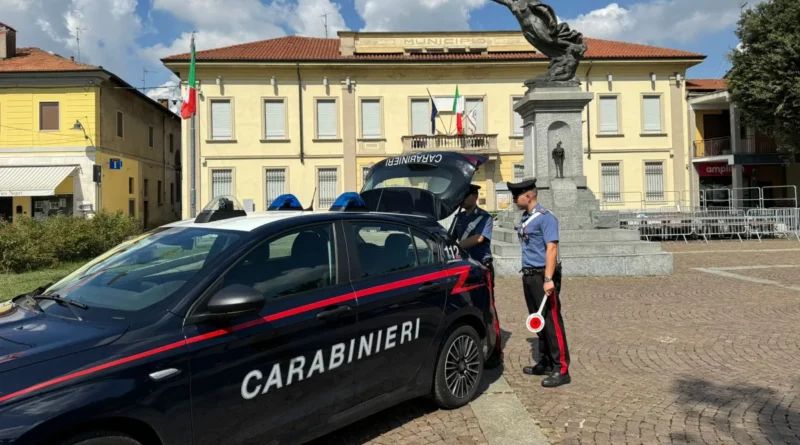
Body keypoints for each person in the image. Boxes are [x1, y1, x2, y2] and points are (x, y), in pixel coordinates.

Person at [507, 178, 571, 387]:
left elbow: (551, 248)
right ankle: (545, 361)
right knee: (538, 320)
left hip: (543, 275)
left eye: (517, 196)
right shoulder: (527, 218)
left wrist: (548, 279)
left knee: (552, 321)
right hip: (529, 274)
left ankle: (561, 368)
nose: (514, 199)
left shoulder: (546, 218)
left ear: (529, 195)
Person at [453, 184, 503, 368]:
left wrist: (457, 247)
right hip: (464, 268)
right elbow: (450, 238)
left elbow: (479, 238)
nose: (463, 199)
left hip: (481, 268)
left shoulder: (484, 217)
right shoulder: (458, 218)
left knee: (488, 311)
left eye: (466, 196)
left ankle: (495, 353)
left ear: (474, 196)